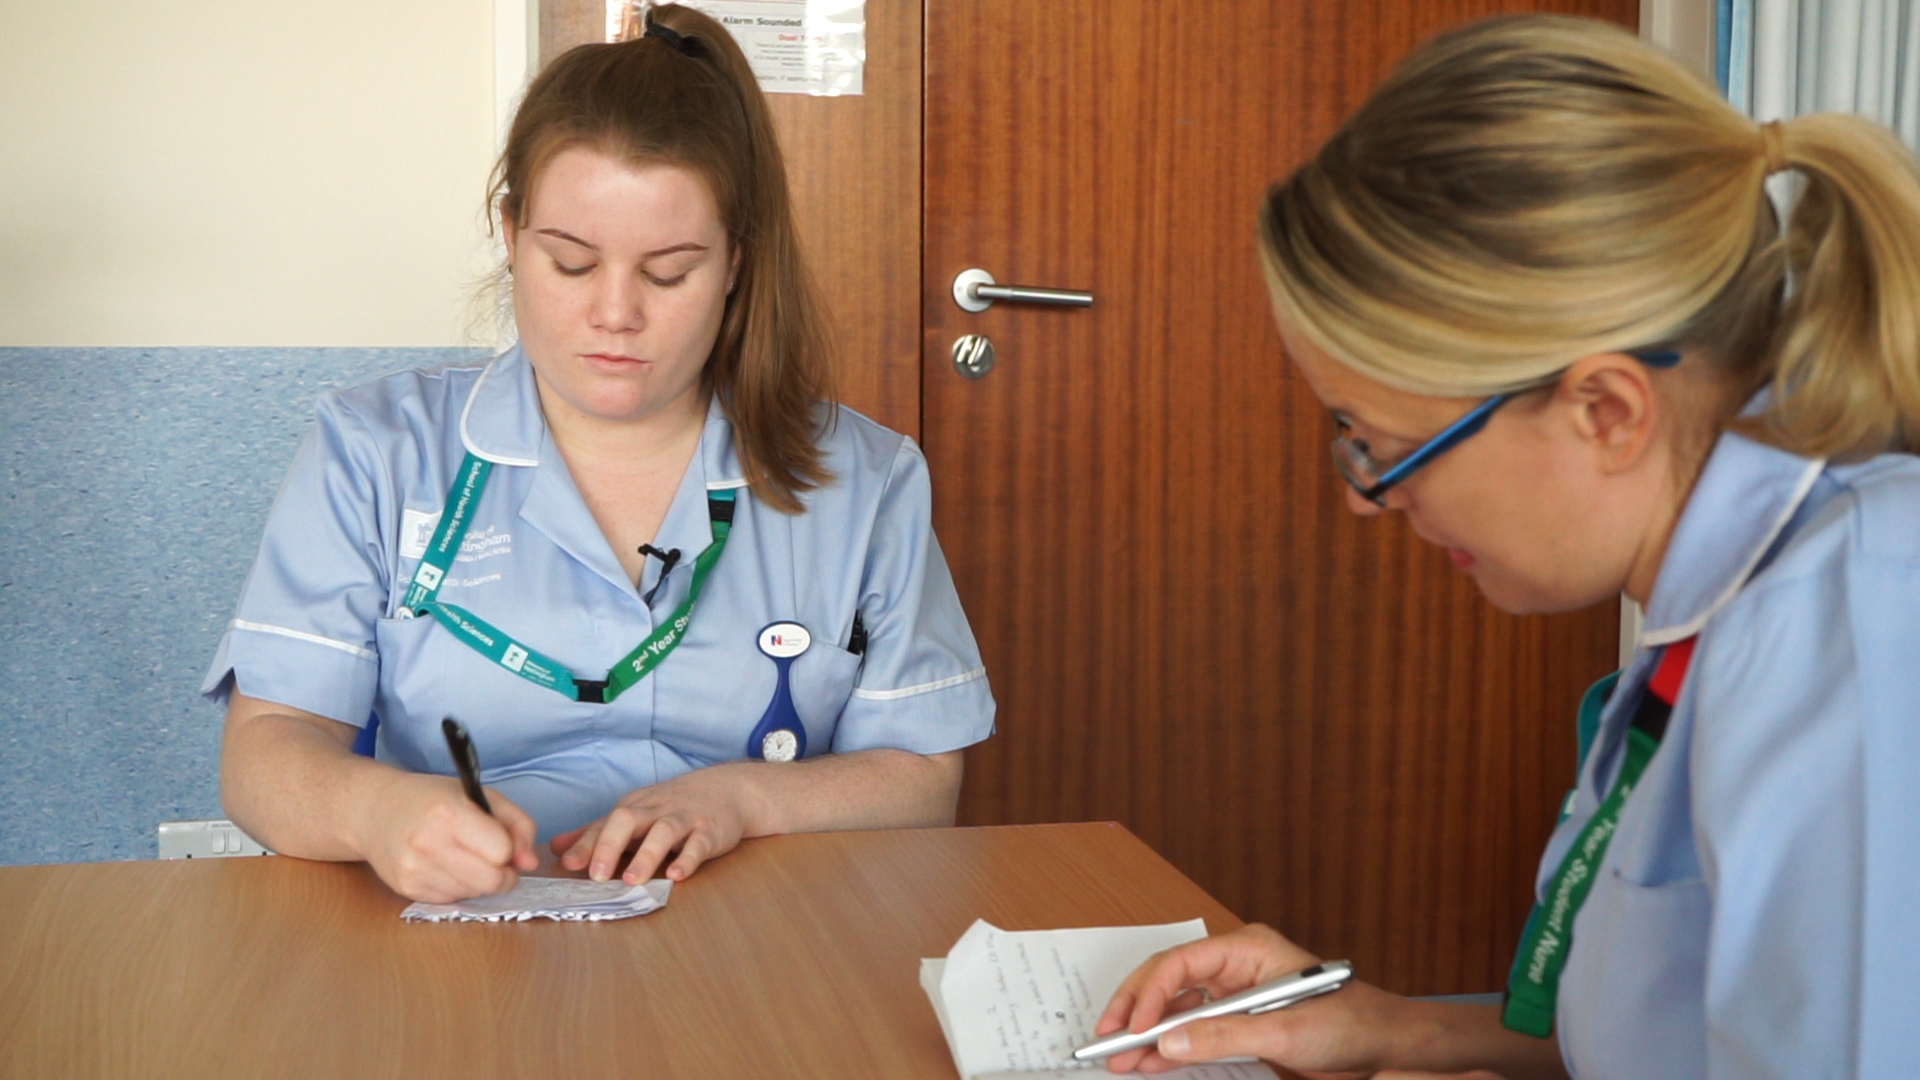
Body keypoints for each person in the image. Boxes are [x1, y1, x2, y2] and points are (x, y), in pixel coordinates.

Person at [1094, 15, 1920, 1080]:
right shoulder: (1721, 599)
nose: (1367, 500)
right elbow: (1666, 1033)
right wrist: (1387, 1029)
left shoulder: (1845, 635)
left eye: (1385, 448)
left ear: (1607, 412)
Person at [204, 4, 994, 905]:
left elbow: (925, 778)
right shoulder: (376, 452)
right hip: (469, 946)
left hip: (759, 945)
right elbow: (266, 749)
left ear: (736, 262)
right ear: (511, 236)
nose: (615, 312)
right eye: (572, 263)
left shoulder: (865, 479)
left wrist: (741, 798)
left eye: (668, 272)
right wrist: (378, 812)